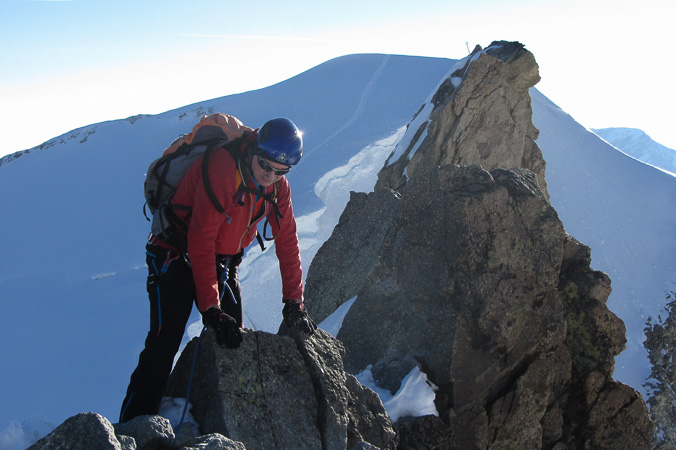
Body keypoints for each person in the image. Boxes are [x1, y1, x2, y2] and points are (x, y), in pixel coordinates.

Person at [119, 117, 316, 423]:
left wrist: (294, 301)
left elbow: (288, 240)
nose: (270, 175)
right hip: (173, 253)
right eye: (266, 165)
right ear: (254, 150)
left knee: (232, 339)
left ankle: (220, 422)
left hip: (223, 260)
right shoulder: (224, 169)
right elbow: (200, 240)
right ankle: (133, 428)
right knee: (164, 342)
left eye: (281, 171)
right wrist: (211, 308)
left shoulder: (278, 188)